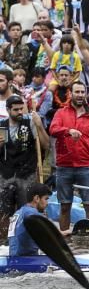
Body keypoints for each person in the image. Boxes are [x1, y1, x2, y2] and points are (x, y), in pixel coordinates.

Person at [49, 81, 89, 231]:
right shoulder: (61, 113)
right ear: (70, 94)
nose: (80, 95)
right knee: (65, 206)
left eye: (82, 92)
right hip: (64, 167)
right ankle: (64, 240)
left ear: (86, 94)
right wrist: (68, 131)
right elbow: (53, 129)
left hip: (87, 167)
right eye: (77, 92)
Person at [0, 96, 48, 238]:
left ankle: (26, 239)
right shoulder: (2, 125)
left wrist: (39, 126)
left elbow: (46, 145)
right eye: (16, 110)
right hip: (5, 175)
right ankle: (4, 242)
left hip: (26, 174)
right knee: (3, 213)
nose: (20, 112)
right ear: (8, 110)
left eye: (21, 108)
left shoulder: (31, 122)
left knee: (26, 210)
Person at [9, 183, 67, 256]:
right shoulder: (31, 212)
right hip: (27, 261)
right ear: (36, 198)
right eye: (46, 199)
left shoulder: (18, 212)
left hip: (13, 259)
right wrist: (63, 233)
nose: (47, 203)